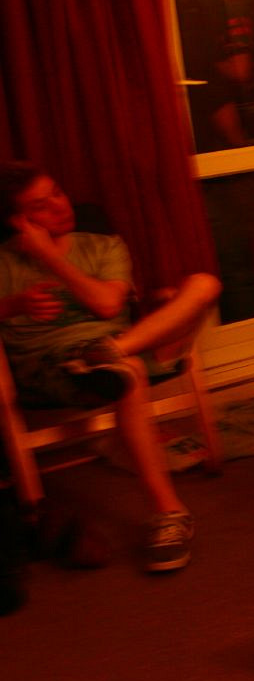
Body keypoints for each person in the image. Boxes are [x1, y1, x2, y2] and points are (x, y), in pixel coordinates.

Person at [0, 163, 221, 572]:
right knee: (128, 372)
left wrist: (49, 256)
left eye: (58, 192)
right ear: (18, 221)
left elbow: (107, 304)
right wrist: (13, 305)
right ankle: (169, 514)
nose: (60, 206)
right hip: (52, 368)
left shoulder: (103, 246)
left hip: (118, 345)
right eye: (41, 205)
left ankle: (108, 352)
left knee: (204, 285)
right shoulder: (4, 263)